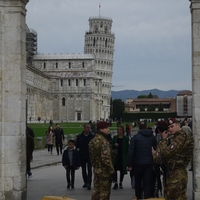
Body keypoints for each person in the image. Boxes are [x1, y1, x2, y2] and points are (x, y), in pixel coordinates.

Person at [152, 118, 194, 200]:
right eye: (168, 128)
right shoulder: (174, 137)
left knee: (176, 196)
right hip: (171, 172)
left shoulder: (181, 136)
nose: (170, 129)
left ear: (178, 125)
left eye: (172, 126)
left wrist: (163, 140)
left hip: (177, 173)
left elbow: (167, 153)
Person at [127, 122, 157, 199]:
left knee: (138, 182)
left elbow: (131, 152)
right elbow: (155, 149)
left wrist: (129, 164)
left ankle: (139, 197)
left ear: (138, 127)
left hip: (138, 163)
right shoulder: (152, 137)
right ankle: (147, 197)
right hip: (149, 163)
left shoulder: (135, 137)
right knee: (147, 182)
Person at [89, 121, 115, 200]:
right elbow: (105, 158)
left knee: (96, 191)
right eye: (106, 128)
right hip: (104, 171)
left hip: (96, 169)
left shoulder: (92, 141)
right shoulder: (103, 141)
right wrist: (112, 170)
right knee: (104, 192)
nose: (108, 130)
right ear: (101, 129)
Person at [75, 123, 94, 190]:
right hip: (82, 155)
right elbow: (77, 145)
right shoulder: (79, 136)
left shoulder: (92, 136)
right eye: (87, 127)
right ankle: (85, 181)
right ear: (84, 128)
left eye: (89, 128)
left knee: (89, 169)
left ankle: (89, 183)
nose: (88, 129)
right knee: (83, 170)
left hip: (90, 155)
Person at [112, 125, 129, 189]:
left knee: (122, 170)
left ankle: (120, 182)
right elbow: (111, 146)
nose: (119, 131)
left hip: (122, 156)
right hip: (116, 156)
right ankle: (116, 183)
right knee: (114, 170)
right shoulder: (115, 137)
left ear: (123, 131)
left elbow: (127, 147)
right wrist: (114, 145)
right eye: (118, 129)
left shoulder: (126, 138)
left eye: (120, 129)